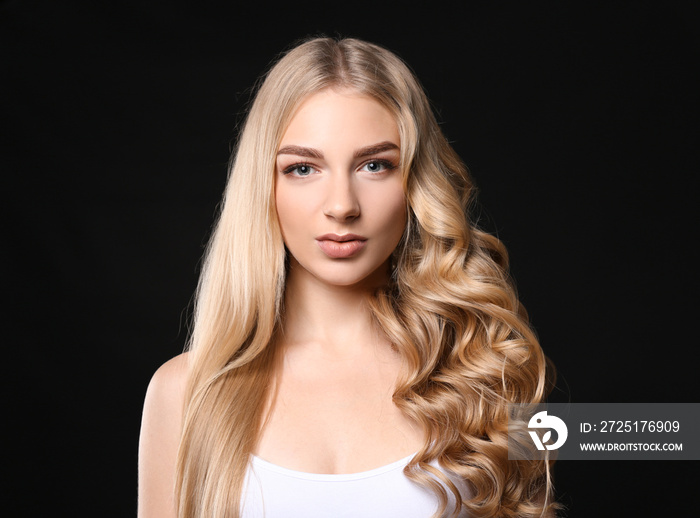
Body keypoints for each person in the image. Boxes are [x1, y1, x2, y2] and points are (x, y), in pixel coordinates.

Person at [138, 37, 557, 518]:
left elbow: (643, 434)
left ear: (414, 182)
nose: (341, 205)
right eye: (302, 168)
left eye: (375, 165)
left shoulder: (484, 376)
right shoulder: (184, 392)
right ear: (264, 185)